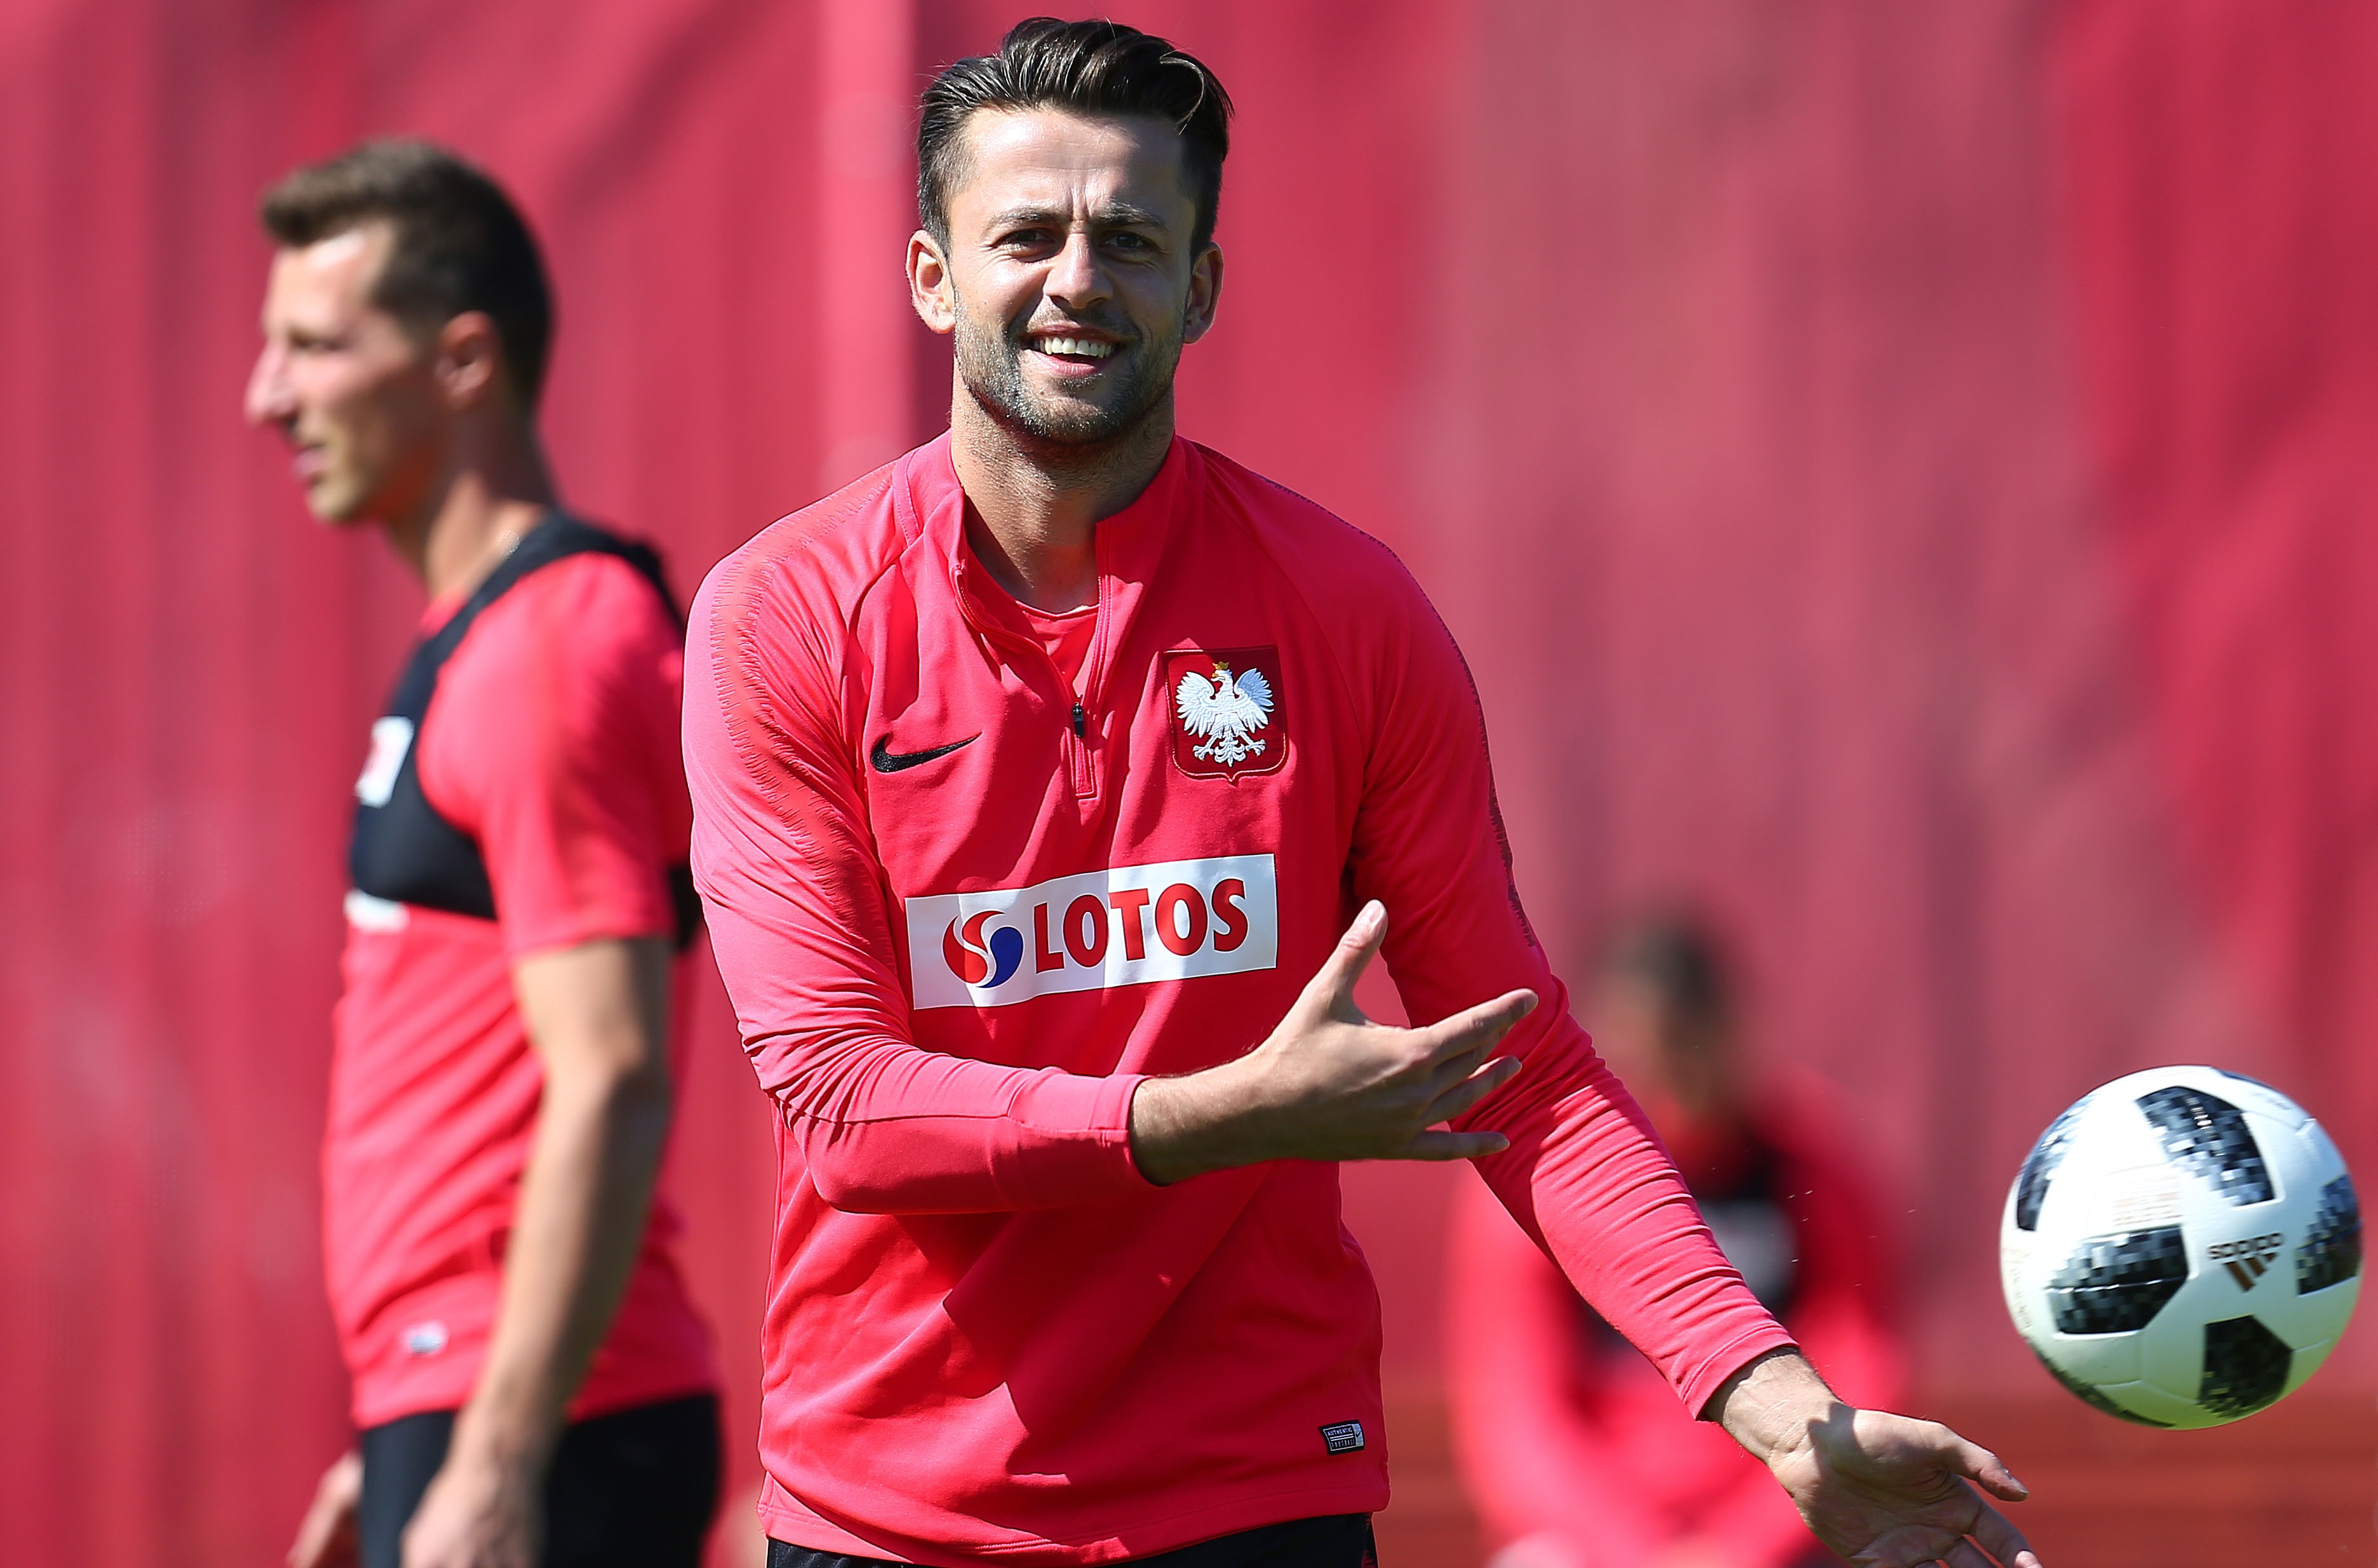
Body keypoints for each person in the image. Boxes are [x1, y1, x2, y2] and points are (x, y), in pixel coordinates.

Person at [684, 19, 2043, 1568]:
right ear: (933, 276)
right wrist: (1213, 1116)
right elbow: (843, 1101)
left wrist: (1778, 1402)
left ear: (1199, 284)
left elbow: (1520, 1070)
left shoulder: (1343, 609)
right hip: (895, 1512)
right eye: (1026, 235)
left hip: (1253, 1491)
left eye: (1130, 238)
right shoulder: (784, 616)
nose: (1077, 278)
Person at [243, 140, 721, 1568]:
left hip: (557, 1428)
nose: (268, 396)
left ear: (462, 361)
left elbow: (610, 1071)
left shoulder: (550, 646)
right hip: (468, 1397)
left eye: (315, 346)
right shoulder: (488, 637)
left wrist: (496, 1452)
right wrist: (407, 1430)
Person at [1448, 918, 1909, 1568]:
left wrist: (1738, 1550)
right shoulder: (1537, 1171)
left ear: (1731, 1029)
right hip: (1594, 1543)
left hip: (1787, 1526)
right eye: (1653, 1054)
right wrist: (1642, 1554)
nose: (1675, 1080)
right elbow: (1517, 1419)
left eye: (1689, 1047)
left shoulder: (1809, 1153)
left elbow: (1862, 1367)